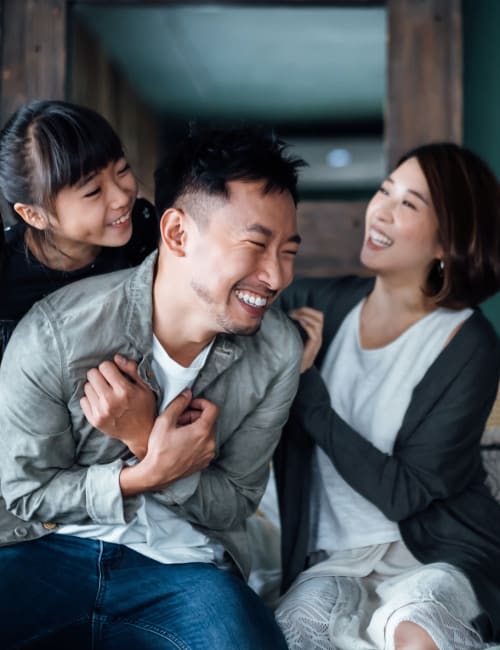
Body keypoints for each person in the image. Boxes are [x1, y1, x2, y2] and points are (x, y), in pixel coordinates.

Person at [0, 126, 305, 649]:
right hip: (43, 553)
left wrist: (147, 441)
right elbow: (25, 493)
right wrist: (143, 474)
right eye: (256, 245)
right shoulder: (56, 331)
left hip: (184, 569)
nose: (275, 276)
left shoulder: (277, 352)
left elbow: (233, 505)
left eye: (288, 251)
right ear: (178, 234)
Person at [273, 142, 500, 649]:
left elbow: (404, 493)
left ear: (447, 242)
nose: (381, 209)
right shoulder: (317, 305)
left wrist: (308, 391)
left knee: (415, 632)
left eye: (409, 204)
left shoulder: (469, 343)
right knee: (296, 633)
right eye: (384, 190)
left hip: (437, 553)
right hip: (331, 555)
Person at [0, 99, 158, 358]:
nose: (121, 197)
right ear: (34, 214)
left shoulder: (144, 229)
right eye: (93, 191)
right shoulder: (7, 279)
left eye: (122, 169)